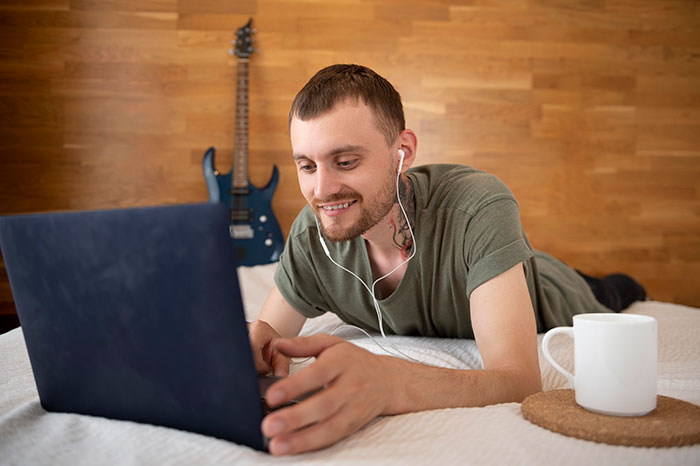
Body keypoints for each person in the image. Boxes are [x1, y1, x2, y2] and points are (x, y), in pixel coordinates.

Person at [248, 64, 647, 456]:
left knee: (617, 290)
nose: (322, 190)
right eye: (306, 166)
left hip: (560, 291)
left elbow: (520, 381)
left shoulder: (478, 205)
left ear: (402, 151)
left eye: (346, 161)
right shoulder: (310, 234)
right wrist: (247, 348)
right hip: (489, 264)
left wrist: (391, 383)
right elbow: (269, 341)